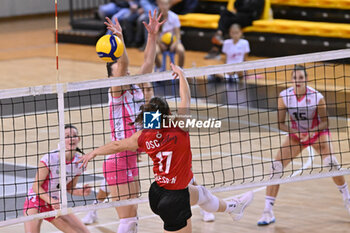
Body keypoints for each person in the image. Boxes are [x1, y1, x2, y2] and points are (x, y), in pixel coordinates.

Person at [78, 63, 254, 233]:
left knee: (202, 194)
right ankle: (232, 207)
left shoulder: (143, 136)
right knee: (197, 198)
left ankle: (233, 206)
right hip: (174, 198)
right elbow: (186, 99)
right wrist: (182, 76)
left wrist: (93, 152)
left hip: (157, 193)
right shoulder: (180, 126)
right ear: (169, 114)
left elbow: (117, 145)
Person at [81, 10, 164, 231]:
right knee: (127, 219)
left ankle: (93, 208)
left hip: (131, 157)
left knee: (132, 217)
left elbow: (148, 61)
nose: (124, 70)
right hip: (118, 158)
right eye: (118, 68)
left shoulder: (136, 87)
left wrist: (153, 35)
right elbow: (123, 64)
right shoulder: (115, 91)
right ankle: (93, 209)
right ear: (112, 76)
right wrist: (120, 40)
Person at [257, 65, 350, 226]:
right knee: (276, 167)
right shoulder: (284, 96)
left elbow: (326, 121)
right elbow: (280, 123)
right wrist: (296, 132)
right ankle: (267, 211)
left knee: (332, 163)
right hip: (296, 135)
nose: (298, 80)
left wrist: (312, 131)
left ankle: (347, 199)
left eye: (301, 78)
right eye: (295, 78)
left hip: (317, 133)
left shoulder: (316, 96)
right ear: (291, 79)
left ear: (306, 79)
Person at [23, 124, 91, 233]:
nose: (71, 139)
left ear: (78, 139)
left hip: (55, 203)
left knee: (83, 232)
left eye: (74, 136)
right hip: (36, 201)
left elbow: (69, 188)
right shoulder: (50, 158)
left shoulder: (79, 162)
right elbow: (36, 186)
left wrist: (81, 192)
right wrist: (51, 201)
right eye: (67, 136)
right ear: (62, 140)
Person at [155, 0, 185, 71]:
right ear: (159, 5)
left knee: (181, 51)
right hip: (161, 42)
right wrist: (160, 44)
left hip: (173, 41)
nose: (164, 7)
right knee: (154, 53)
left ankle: (180, 70)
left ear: (169, 6)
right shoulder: (156, 17)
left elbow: (178, 34)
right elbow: (156, 35)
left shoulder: (174, 17)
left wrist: (175, 44)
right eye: (162, 5)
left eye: (166, 5)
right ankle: (159, 67)